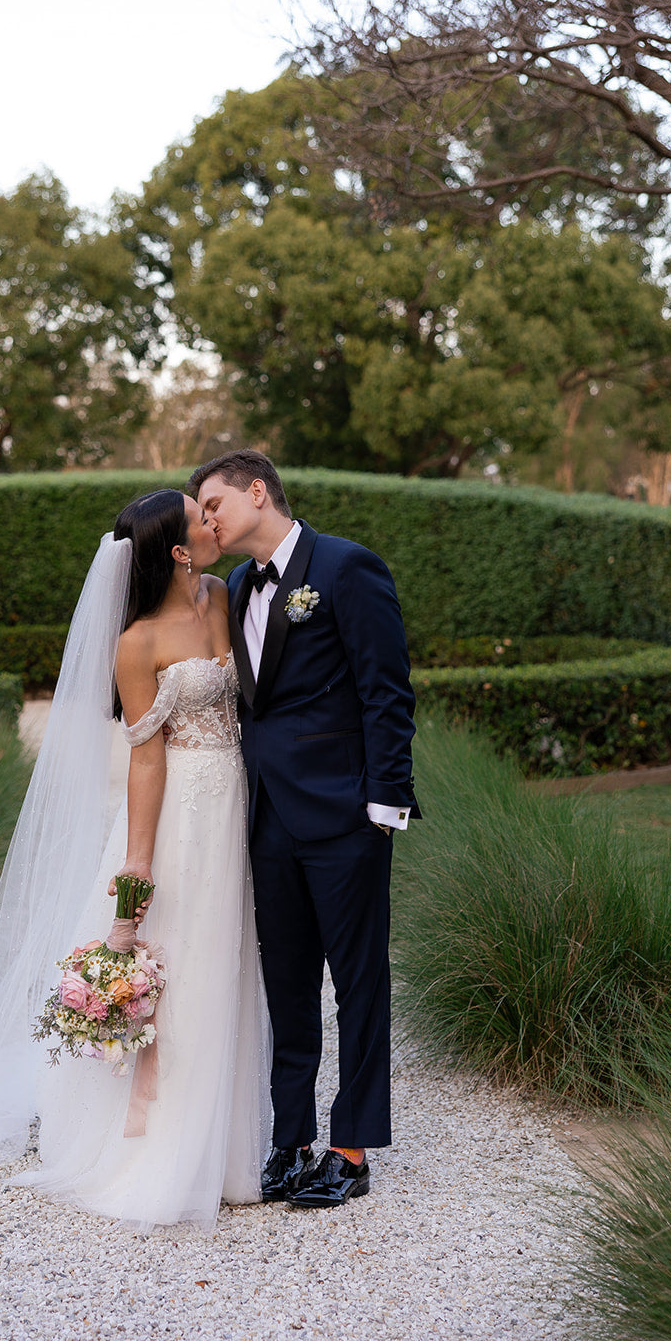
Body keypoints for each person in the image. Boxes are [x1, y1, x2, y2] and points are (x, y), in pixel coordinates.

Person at [0, 488, 270, 1234]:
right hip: (180, 815)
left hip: (238, 805)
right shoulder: (135, 642)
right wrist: (138, 860)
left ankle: (228, 1150)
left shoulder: (223, 595)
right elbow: (145, 760)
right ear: (176, 549)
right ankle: (160, 1153)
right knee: (182, 963)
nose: (212, 519)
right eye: (201, 515)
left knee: (227, 961)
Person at [189, 450, 418, 1209]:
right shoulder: (234, 586)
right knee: (286, 986)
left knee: (357, 984)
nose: (209, 518)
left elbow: (385, 692)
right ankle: (288, 1140)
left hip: (345, 816)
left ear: (259, 491)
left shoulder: (347, 568)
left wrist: (383, 806)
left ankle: (348, 1149)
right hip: (266, 820)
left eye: (216, 503)